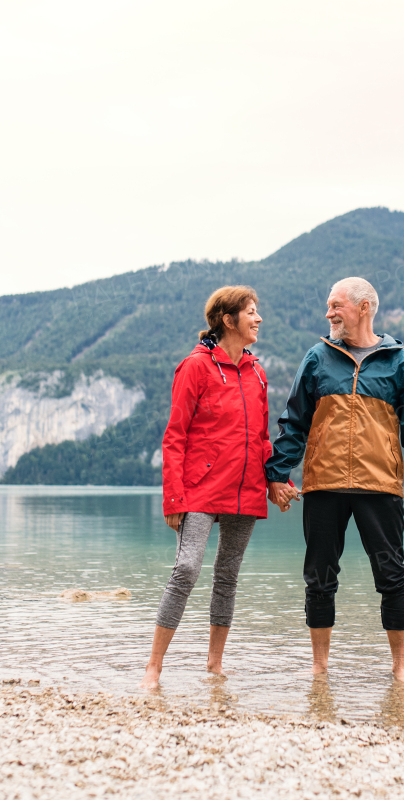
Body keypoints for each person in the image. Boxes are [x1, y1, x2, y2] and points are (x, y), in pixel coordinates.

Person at [264, 277, 404, 682]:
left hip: (380, 486)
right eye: (328, 306)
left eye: (336, 305)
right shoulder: (317, 358)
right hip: (323, 486)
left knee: (392, 576)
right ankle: (320, 669)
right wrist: (277, 475)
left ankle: (400, 671)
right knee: (320, 578)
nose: (329, 314)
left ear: (364, 308)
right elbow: (294, 423)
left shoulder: (401, 362)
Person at [141, 285, 278, 690]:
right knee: (186, 570)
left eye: (257, 311)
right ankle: (154, 667)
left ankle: (214, 664)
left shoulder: (257, 372)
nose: (258, 319)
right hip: (199, 490)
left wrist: (277, 480)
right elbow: (175, 435)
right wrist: (173, 497)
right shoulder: (195, 367)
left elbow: (263, 437)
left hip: (245, 489)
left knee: (227, 576)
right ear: (227, 319)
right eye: (251, 312)